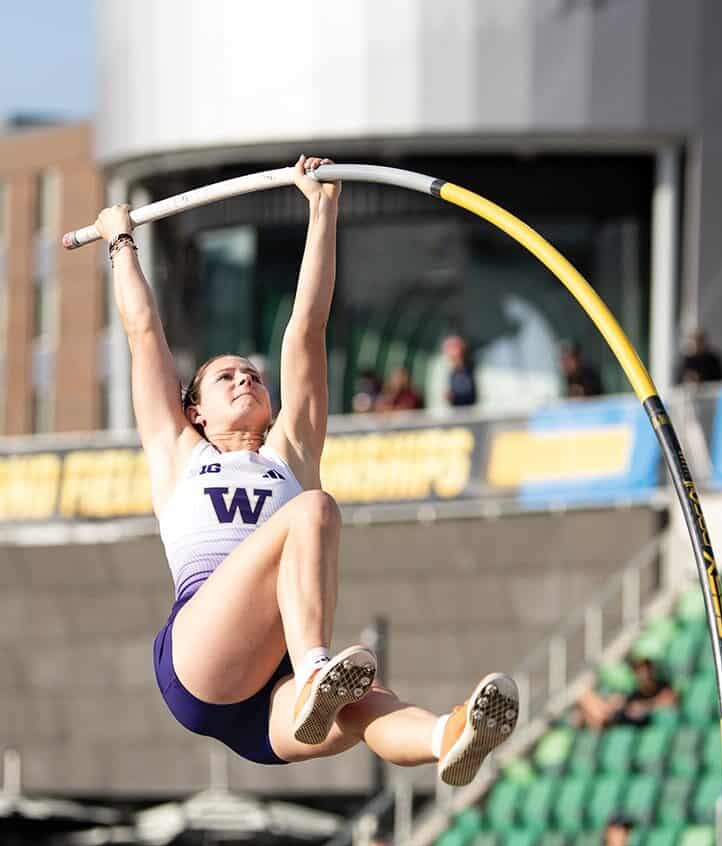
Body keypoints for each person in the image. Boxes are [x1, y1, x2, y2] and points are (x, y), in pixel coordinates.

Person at [95, 154, 518, 788]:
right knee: (313, 511)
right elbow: (143, 332)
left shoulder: (290, 452)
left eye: (252, 375)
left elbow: (307, 329)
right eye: (226, 376)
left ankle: (448, 735)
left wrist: (323, 209)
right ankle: (318, 668)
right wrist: (121, 242)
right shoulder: (179, 453)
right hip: (201, 659)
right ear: (195, 410)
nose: (246, 379)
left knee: (368, 707)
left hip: (275, 689)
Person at [575, 658, 677, 731]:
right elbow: (626, 702)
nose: (642, 674)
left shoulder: (661, 696)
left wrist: (650, 705)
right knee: (595, 703)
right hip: (617, 713)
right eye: (642, 670)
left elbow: (634, 710)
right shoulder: (640, 690)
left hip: (621, 722)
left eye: (646, 672)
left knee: (597, 714)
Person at [442, 334, 477, 407]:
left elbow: (468, 395)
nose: (448, 352)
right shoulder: (452, 371)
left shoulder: (468, 370)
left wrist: (453, 397)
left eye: (452, 347)